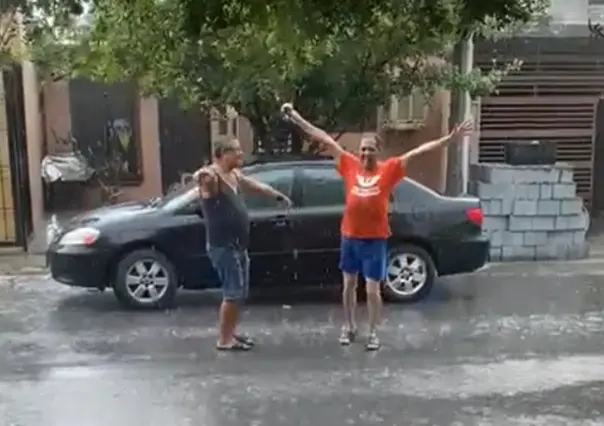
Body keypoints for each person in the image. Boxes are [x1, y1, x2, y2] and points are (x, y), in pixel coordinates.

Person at [281, 103, 472, 350]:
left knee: (372, 290)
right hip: (350, 237)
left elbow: (418, 152)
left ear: (377, 152)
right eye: (362, 150)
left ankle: (373, 332)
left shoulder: (389, 169)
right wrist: (296, 117)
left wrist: (448, 139)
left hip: (374, 240)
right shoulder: (349, 165)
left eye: (370, 150)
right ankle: (349, 327)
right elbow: (324, 138)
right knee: (348, 285)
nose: (365, 154)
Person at [194, 139, 293, 351]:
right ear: (222, 154)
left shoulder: (235, 175)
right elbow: (203, 178)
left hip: (238, 245)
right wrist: (203, 175)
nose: (241, 153)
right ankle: (224, 340)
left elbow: (255, 186)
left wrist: (276, 195)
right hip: (223, 246)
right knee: (232, 293)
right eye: (236, 150)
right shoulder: (213, 178)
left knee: (240, 292)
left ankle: (231, 332)